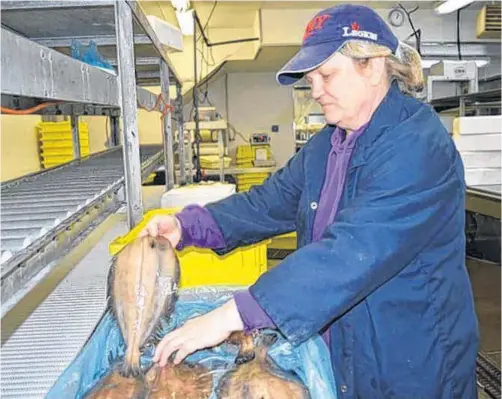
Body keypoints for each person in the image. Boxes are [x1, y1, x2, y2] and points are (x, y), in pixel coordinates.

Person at [141, 4, 479, 398]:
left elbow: (350, 254)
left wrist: (233, 315)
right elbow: (268, 202)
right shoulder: (327, 146)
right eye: (311, 77)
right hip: (348, 351)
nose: (314, 89)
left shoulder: (418, 146)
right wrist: (188, 226)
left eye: (326, 75)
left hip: (410, 362)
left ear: (372, 65)